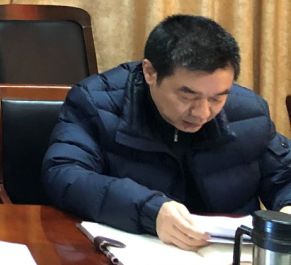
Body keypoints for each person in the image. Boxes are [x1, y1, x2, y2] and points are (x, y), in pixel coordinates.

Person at [43, 13, 291, 250]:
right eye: (187, 96)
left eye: (217, 98)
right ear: (150, 72)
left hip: (230, 261)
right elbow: (65, 174)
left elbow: (284, 175)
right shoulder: (97, 102)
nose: (202, 113)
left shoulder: (249, 112)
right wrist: (149, 210)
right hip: (134, 256)